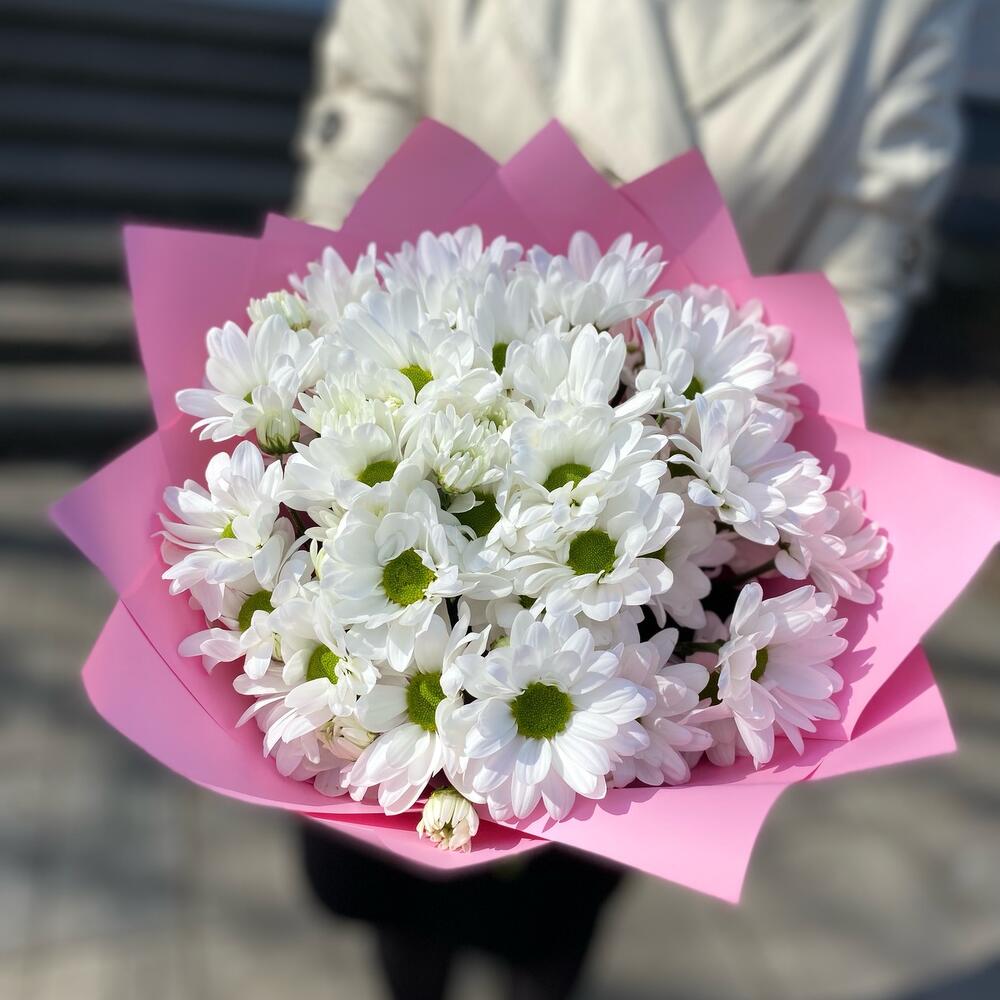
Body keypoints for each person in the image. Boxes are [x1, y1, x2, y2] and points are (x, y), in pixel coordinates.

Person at [290, 3, 974, 996]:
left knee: (549, 920)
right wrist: (319, 366)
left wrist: (774, 485)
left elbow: (866, 256)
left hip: (684, 551)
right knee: (401, 897)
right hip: (422, 400)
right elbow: (368, 114)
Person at [294, 0, 974, 385]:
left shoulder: (900, 15)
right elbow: (344, 224)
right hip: (419, 428)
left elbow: (849, 298)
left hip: (701, 490)